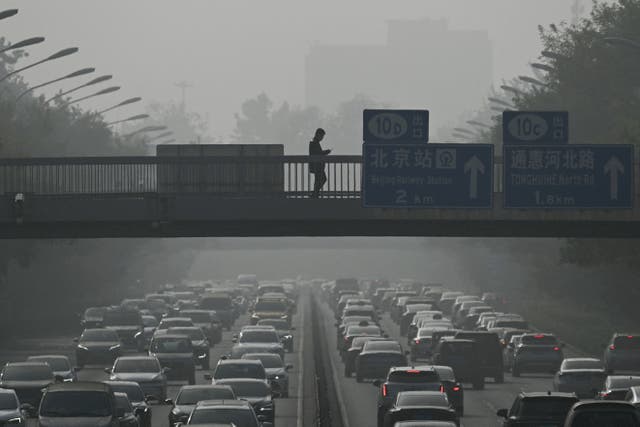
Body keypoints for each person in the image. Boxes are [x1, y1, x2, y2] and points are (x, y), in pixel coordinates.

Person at [308, 128, 331, 198]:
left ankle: (315, 193)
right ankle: (315, 193)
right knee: (322, 179)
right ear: (318, 134)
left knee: (318, 180)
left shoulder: (314, 142)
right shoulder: (314, 143)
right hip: (317, 165)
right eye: (322, 136)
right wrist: (326, 152)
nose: (322, 138)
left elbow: (317, 153)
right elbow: (318, 153)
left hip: (317, 165)